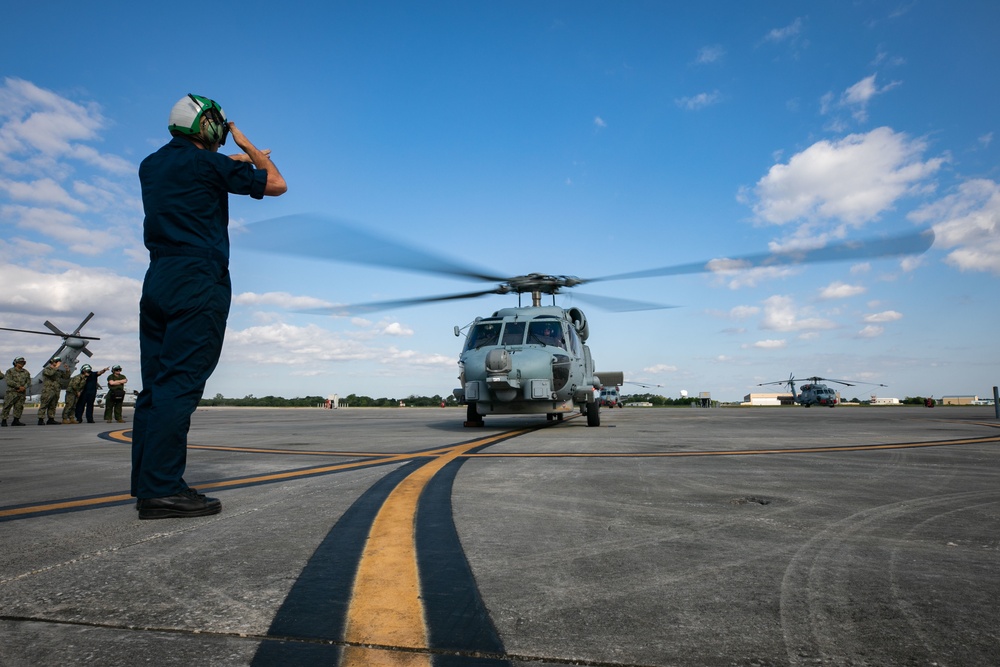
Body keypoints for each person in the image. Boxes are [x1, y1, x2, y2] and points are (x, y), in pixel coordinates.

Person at [131, 93, 286, 520]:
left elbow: (199, 177)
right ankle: (163, 489)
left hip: (158, 278)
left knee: (155, 386)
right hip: (198, 280)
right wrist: (251, 150)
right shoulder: (208, 165)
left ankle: (147, 486)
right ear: (208, 126)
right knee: (181, 384)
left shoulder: (152, 164)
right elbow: (276, 184)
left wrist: (231, 162)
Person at [2, 357, 31, 427]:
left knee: (19, 407)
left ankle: (16, 420)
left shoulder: (26, 372)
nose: (22, 364)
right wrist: (18, 386)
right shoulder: (10, 371)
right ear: (16, 363)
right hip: (11, 392)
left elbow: (28, 382)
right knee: (7, 406)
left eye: (23, 362)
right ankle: (4, 420)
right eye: (20, 362)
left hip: (21, 393)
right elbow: (8, 381)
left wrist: (24, 387)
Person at [37, 358, 63, 425]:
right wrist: (56, 367)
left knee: (53, 405)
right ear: (52, 362)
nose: (58, 363)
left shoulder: (58, 371)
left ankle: (51, 419)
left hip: (56, 390)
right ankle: (40, 419)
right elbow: (50, 374)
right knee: (44, 405)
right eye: (56, 362)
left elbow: (65, 377)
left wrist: (67, 370)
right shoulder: (47, 369)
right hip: (48, 390)